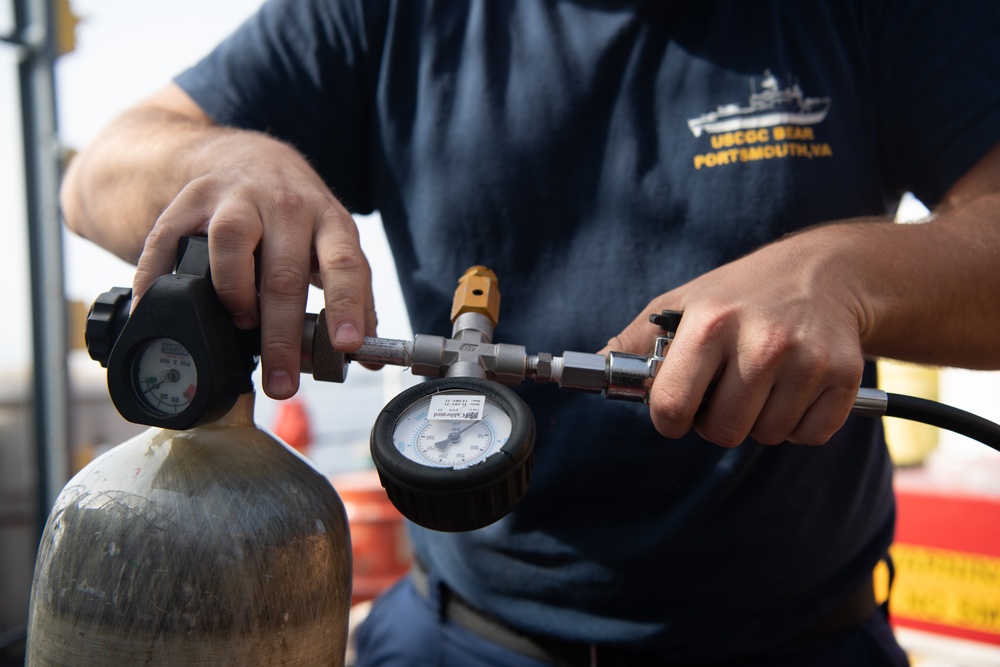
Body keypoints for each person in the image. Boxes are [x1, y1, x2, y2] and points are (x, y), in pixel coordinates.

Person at [61, 1, 1000, 665]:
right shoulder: (387, 16)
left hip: (803, 641)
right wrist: (226, 159)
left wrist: (844, 274)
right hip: (459, 636)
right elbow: (98, 173)